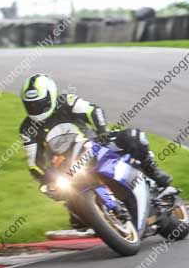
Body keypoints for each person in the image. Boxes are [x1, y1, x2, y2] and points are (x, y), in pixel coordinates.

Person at [19, 74, 173, 190]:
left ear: (51, 96)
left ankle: (151, 170)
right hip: (69, 167)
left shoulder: (65, 101)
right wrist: (46, 176)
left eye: (39, 104)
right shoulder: (27, 129)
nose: (35, 109)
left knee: (133, 136)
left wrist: (102, 131)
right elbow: (34, 162)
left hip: (96, 145)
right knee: (67, 201)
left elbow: (93, 110)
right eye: (30, 105)